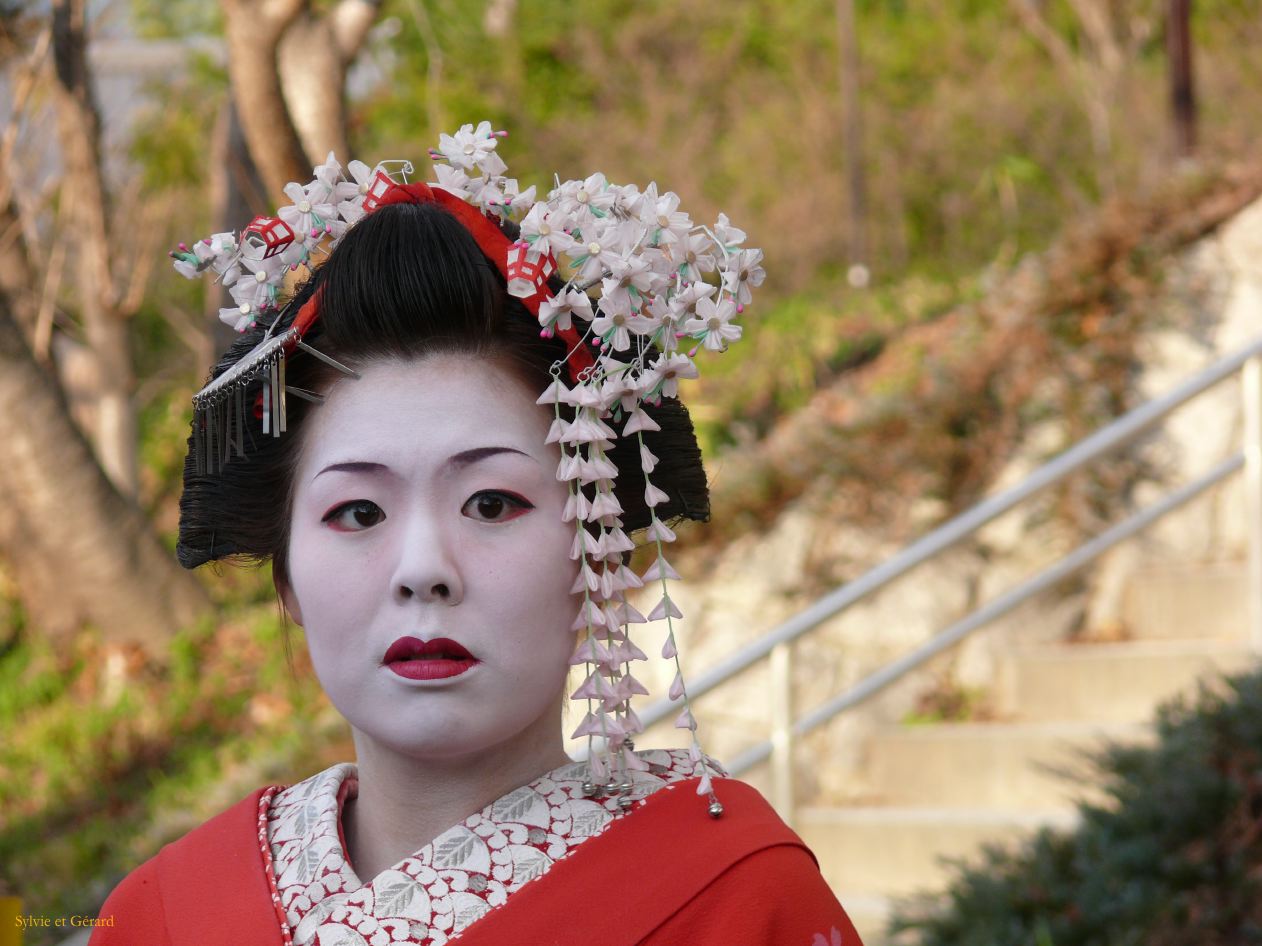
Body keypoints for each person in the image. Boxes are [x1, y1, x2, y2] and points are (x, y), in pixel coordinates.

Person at [89, 125, 862, 946]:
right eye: (358, 513)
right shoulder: (165, 916)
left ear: (601, 553)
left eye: (491, 504)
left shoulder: (739, 902)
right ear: (286, 577)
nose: (425, 570)